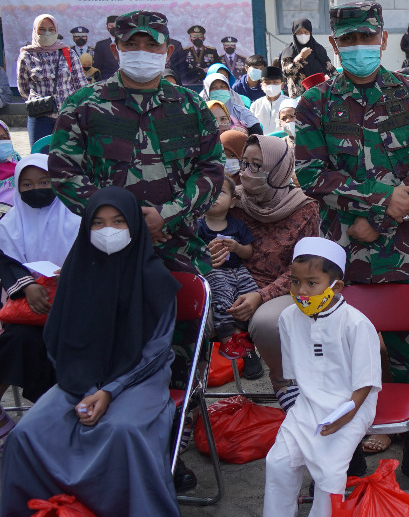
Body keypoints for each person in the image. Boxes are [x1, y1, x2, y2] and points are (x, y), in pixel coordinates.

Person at [294, 1, 409, 470]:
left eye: (367, 37)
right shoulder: (315, 102)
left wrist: (376, 220)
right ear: (335, 45)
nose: (360, 47)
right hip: (342, 256)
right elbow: (310, 173)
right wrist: (380, 200)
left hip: (403, 250)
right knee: (340, 360)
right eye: (349, 39)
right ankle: (347, 453)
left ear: (382, 39)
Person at [0, 188, 180, 517]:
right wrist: (84, 385)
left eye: (118, 221)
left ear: (135, 226)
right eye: (96, 223)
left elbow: (155, 351)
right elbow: (58, 337)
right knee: (25, 434)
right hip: (77, 379)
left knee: (121, 432)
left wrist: (110, 391)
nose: (107, 230)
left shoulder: (155, 280)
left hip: (138, 380)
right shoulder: (75, 273)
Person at [48, 10, 223, 277]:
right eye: (131, 44)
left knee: (184, 316)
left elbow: (211, 168)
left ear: (168, 50)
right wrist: (117, 218)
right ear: (115, 50)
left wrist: (167, 215)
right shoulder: (82, 105)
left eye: (152, 45)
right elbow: (64, 172)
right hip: (106, 252)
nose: (142, 51)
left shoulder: (192, 106)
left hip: (179, 251)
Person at [263, 237, 380, 517]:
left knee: (328, 474)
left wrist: (346, 416)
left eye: (311, 283)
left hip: (352, 405)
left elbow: (365, 383)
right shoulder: (288, 318)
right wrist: (301, 414)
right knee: (278, 463)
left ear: (335, 286)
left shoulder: (356, 324)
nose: (301, 290)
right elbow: (293, 377)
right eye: (295, 281)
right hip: (306, 405)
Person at [229, 135, 321, 402]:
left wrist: (261, 295)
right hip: (233, 283)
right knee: (192, 313)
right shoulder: (233, 202)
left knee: (267, 322)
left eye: (257, 165)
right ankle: (189, 400)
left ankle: (283, 383)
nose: (246, 172)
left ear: (279, 169)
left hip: (286, 289)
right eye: (244, 163)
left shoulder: (304, 208)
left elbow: (304, 268)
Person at [0, 155, 82, 426]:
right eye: (27, 184)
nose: (36, 188)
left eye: (45, 181)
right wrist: (29, 286)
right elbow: (6, 262)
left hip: (75, 309)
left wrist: (69, 275)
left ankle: (61, 418)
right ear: (18, 187)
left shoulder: (77, 216)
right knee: (18, 342)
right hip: (31, 309)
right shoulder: (8, 224)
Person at [198, 176, 259, 358]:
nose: (214, 197)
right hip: (214, 271)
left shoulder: (237, 225)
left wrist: (237, 248)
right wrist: (206, 252)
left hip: (238, 269)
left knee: (250, 289)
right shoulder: (199, 227)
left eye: (220, 192)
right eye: (208, 193)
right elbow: (193, 254)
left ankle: (241, 334)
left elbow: (248, 252)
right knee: (221, 296)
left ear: (232, 202)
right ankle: (226, 338)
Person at [18, 14, 87, 145]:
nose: (47, 33)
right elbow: (23, 87)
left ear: (56, 31)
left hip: (67, 117)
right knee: (40, 158)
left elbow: (81, 86)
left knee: (67, 160)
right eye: (42, 29)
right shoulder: (27, 55)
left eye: (51, 29)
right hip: (39, 117)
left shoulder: (68, 53)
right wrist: (39, 101)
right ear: (35, 31)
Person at [279, 17, 336, 98]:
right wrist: (301, 58)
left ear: (310, 33)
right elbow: (287, 72)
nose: (303, 35)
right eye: (299, 32)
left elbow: (331, 70)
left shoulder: (318, 49)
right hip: (299, 98)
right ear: (294, 33)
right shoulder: (289, 51)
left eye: (306, 32)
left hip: (320, 97)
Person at [250, 66, 289, 134]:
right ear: (261, 86)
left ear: (282, 85)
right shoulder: (255, 105)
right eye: (267, 82)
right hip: (261, 142)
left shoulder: (290, 104)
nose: (271, 85)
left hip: (284, 142)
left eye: (275, 82)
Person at [92, 15, 119, 81]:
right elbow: (97, 66)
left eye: (116, 26)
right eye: (111, 26)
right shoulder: (101, 45)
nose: (113, 28)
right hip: (107, 80)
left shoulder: (128, 43)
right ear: (107, 27)